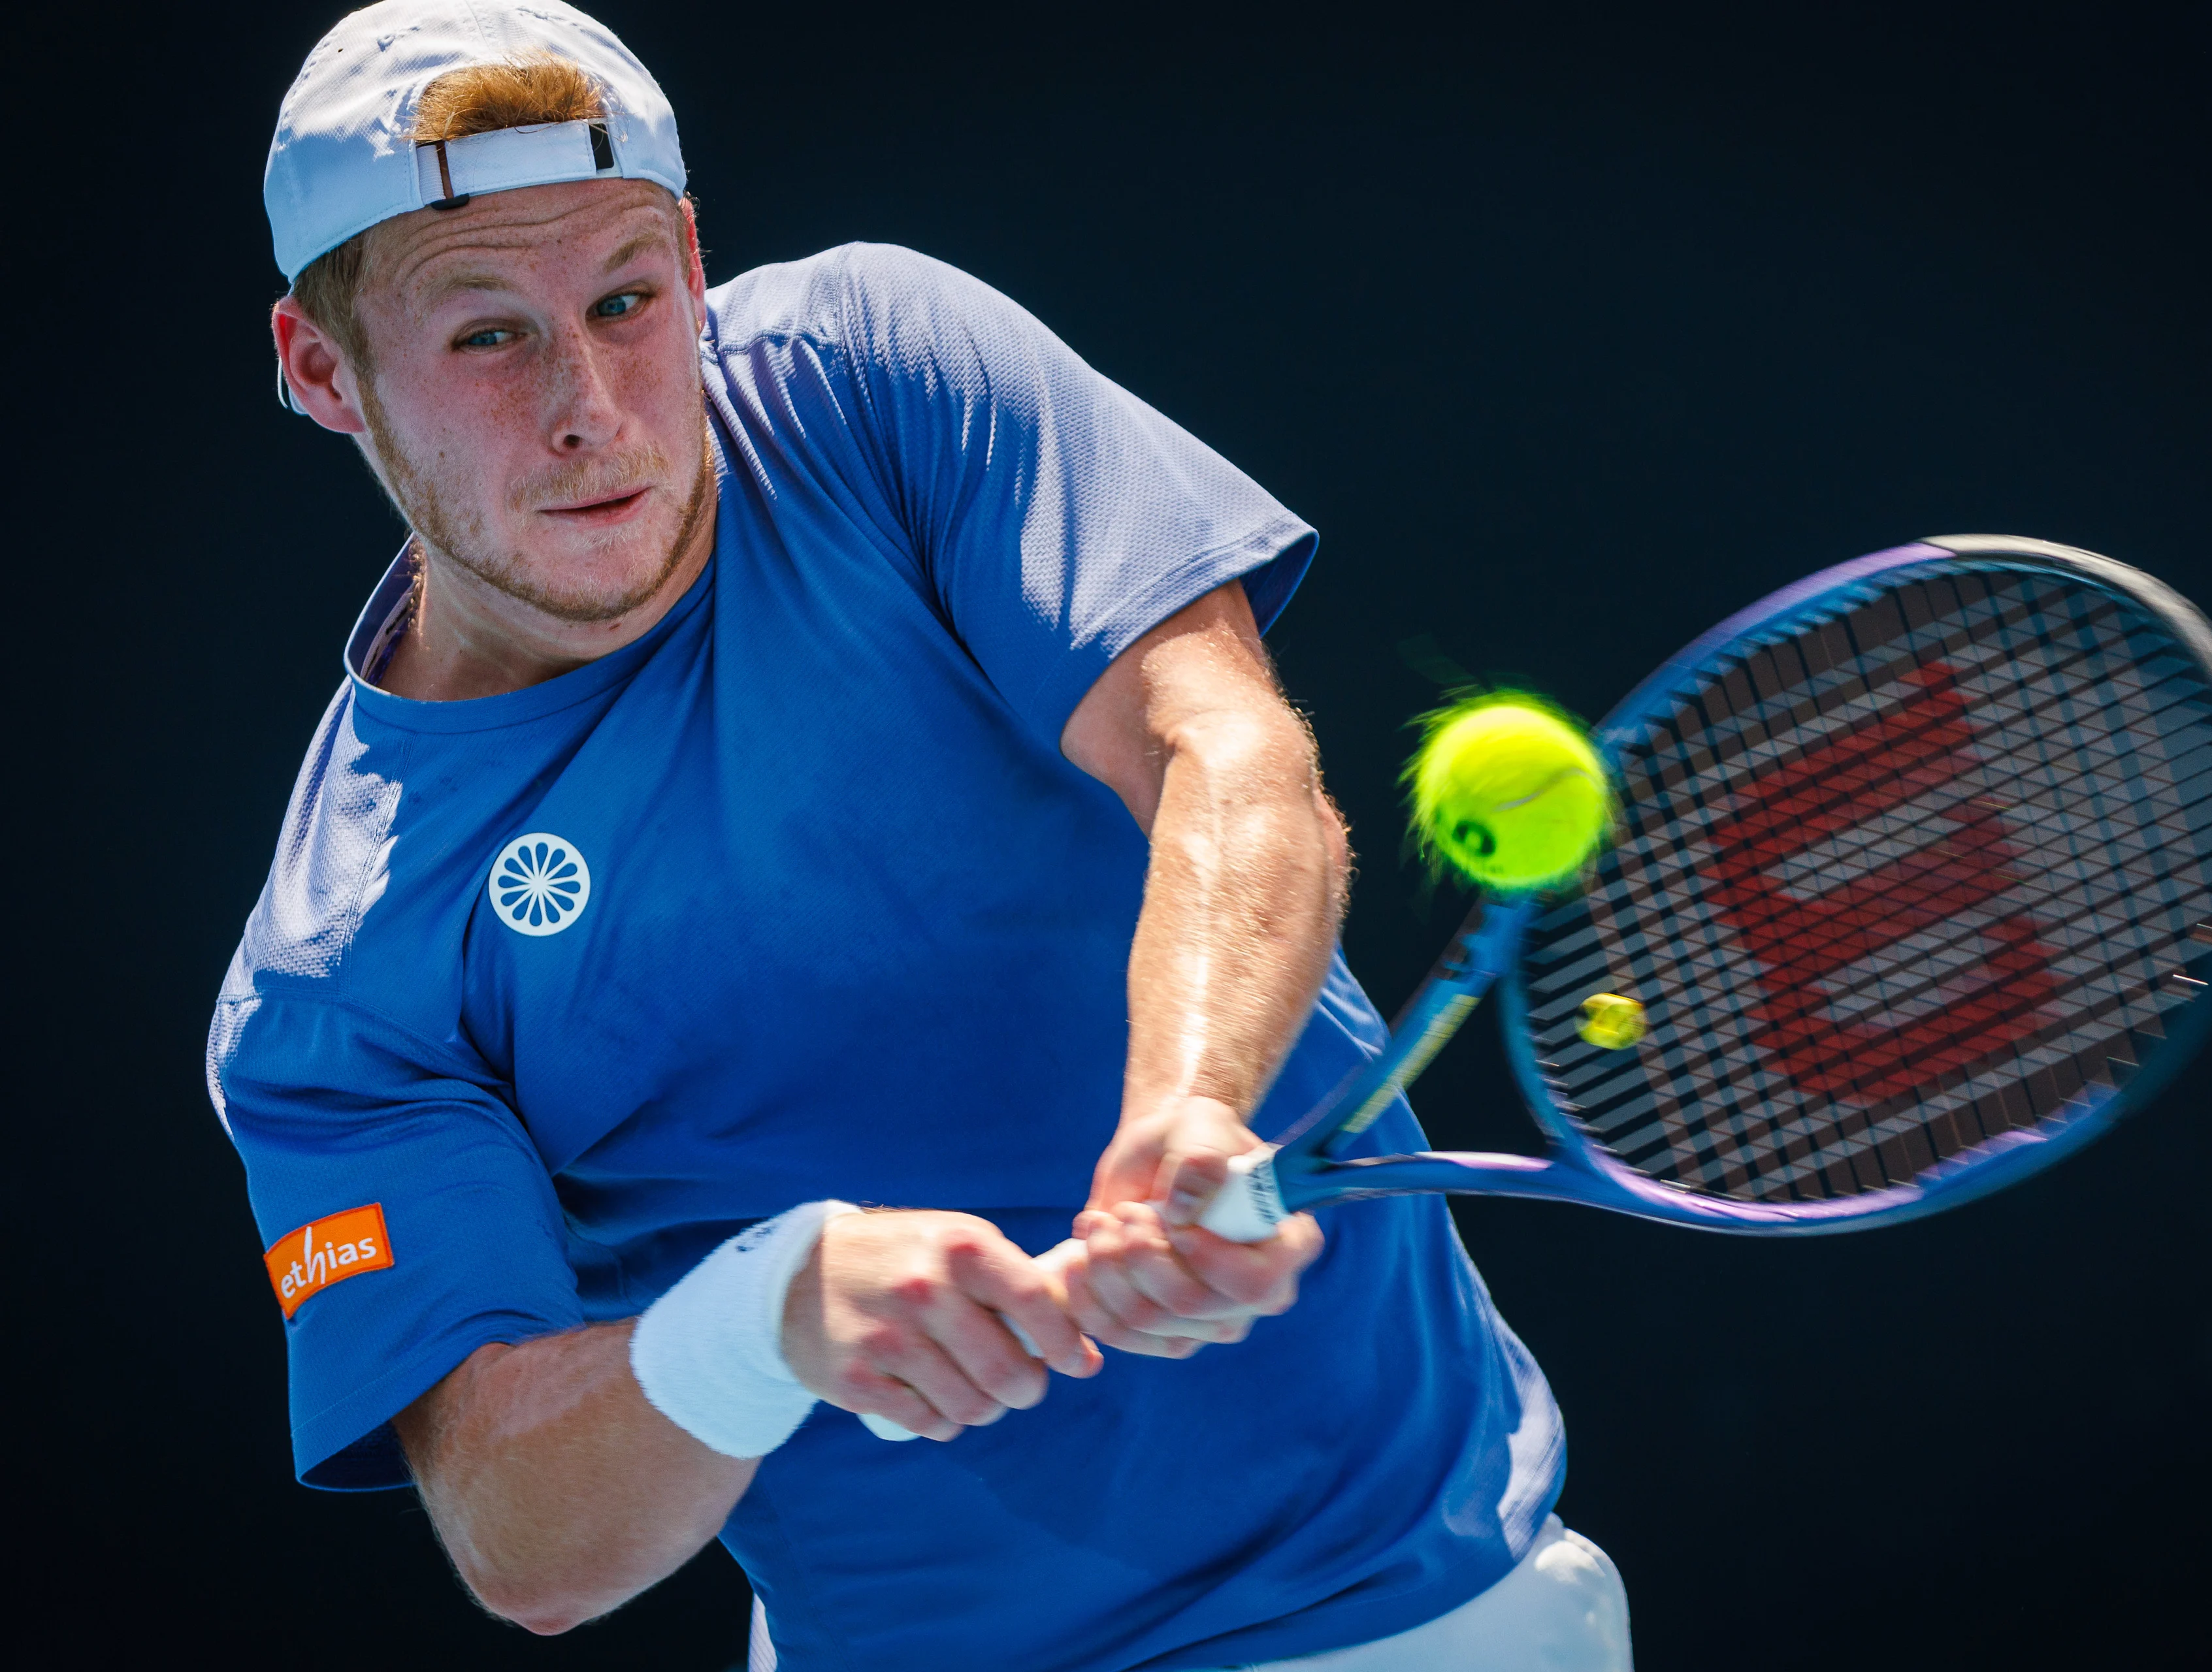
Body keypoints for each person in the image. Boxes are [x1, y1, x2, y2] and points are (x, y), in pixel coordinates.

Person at [213, 4, 1633, 1667]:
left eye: (624, 301)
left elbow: (1219, 743)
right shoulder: (334, 973)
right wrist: (769, 1314)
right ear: (325, 373)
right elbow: (522, 1539)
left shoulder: (874, 376)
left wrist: (1182, 1105)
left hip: (1414, 1609)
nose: (591, 404)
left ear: (689, 254)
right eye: (487, 338)